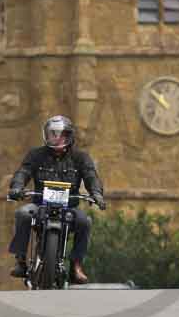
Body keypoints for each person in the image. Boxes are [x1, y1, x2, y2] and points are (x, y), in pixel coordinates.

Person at [7, 115, 106, 284]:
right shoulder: (36, 155)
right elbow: (23, 172)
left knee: (85, 221)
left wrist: (96, 193)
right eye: (52, 134)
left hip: (69, 208)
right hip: (40, 205)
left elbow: (91, 176)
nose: (56, 138)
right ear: (46, 135)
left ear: (69, 136)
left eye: (61, 134)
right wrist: (17, 187)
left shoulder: (80, 158)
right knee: (23, 214)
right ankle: (21, 260)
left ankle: (76, 266)